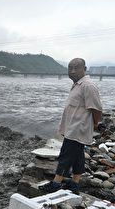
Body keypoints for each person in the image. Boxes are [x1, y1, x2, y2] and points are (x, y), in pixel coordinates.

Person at [43, 58, 102, 194]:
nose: (73, 71)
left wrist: (94, 124)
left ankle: (56, 184)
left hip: (78, 129)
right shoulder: (77, 85)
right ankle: (75, 183)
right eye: (70, 68)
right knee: (78, 156)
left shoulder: (88, 86)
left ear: (84, 69)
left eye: (76, 68)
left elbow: (97, 109)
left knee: (66, 156)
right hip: (73, 127)